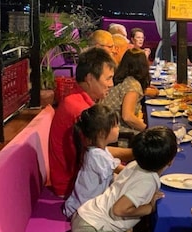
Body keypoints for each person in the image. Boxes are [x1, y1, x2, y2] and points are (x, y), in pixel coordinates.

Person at [70, 126, 178, 232]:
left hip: (88, 217)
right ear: (171, 160)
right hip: (94, 229)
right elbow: (119, 210)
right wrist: (148, 209)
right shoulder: (147, 181)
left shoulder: (136, 164)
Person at [48, 47, 132, 198]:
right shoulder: (79, 109)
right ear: (90, 78)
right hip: (74, 187)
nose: (111, 84)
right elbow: (96, 154)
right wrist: (137, 155)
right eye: (108, 78)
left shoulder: (77, 99)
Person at [63, 104, 122, 218]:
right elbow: (121, 170)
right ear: (101, 133)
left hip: (89, 204)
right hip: (85, 209)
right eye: (115, 126)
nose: (118, 128)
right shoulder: (97, 155)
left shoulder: (98, 150)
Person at [102, 48, 150, 135]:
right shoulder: (132, 84)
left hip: (107, 129)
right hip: (120, 135)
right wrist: (148, 129)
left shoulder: (119, 78)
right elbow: (127, 117)